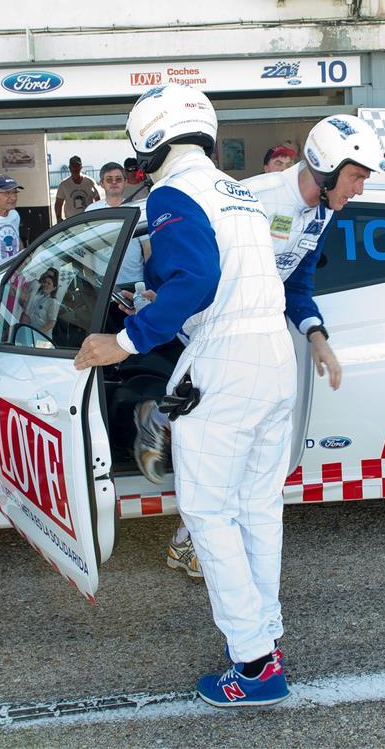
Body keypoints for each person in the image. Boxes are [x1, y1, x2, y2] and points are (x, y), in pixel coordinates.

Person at [74, 83, 295, 708]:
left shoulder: (173, 192)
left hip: (225, 362)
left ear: (148, 139)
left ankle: (253, 665)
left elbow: (195, 281)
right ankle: (266, 638)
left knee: (207, 513)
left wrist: (124, 341)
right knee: (257, 506)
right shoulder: (236, 191)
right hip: (275, 357)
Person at [140, 114, 385, 583]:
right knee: (225, 468)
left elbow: (298, 281)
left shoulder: (325, 211)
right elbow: (186, 259)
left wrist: (316, 336)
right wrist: (156, 285)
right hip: (212, 336)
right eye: (356, 177)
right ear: (328, 166)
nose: (359, 189)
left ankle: (188, 534)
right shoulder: (256, 196)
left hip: (257, 344)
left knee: (238, 469)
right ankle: (162, 423)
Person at [86, 162, 148, 284]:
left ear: (125, 182)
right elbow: (86, 248)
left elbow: (147, 247)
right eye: (109, 179)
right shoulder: (91, 211)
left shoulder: (137, 209)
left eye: (118, 179)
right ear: (102, 184)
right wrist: (90, 279)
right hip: (103, 285)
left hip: (135, 281)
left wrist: (150, 279)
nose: (114, 182)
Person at [53, 155, 99, 222]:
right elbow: (58, 203)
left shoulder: (90, 182)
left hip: (88, 219)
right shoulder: (64, 184)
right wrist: (58, 218)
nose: (75, 168)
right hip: (71, 221)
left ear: (81, 167)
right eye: (73, 166)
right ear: (69, 168)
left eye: (77, 166)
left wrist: (97, 215)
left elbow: (97, 199)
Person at [19, 267, 61, 332]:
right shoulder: (41, 294)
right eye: (47, 275)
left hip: (37, 333)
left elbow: (52, 322)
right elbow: (23, 295)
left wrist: (38, 332)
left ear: (54, 287)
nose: (46, 284)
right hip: (26, 323)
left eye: (49, 283)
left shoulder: (53, 301)